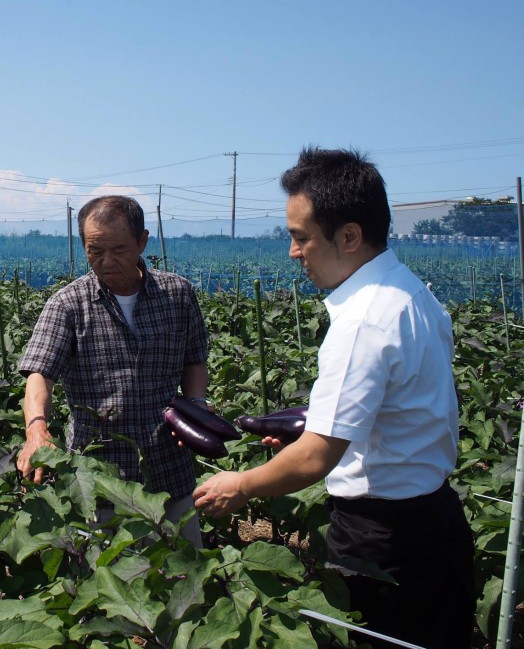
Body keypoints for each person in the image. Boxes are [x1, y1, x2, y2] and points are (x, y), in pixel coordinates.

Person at [193, 147, 474, 649]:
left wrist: (240, 485)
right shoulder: (412, 292)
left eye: (302, 238)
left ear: (349, 236)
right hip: (437, 523)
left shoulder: (363, 321)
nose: (293, 252)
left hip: (383, 542)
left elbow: (319, 454)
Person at [17, 195, 209, 545]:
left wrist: (196, 405)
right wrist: (36, 428)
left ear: (142, 241)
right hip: (99, 478)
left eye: (119, 250)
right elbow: (39, 374)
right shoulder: (68, 305)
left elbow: (194, 358)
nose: (106, 262)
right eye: (95, 251)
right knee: (109, 582)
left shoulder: (178, 295)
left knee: (185, 574)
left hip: (170, 471)